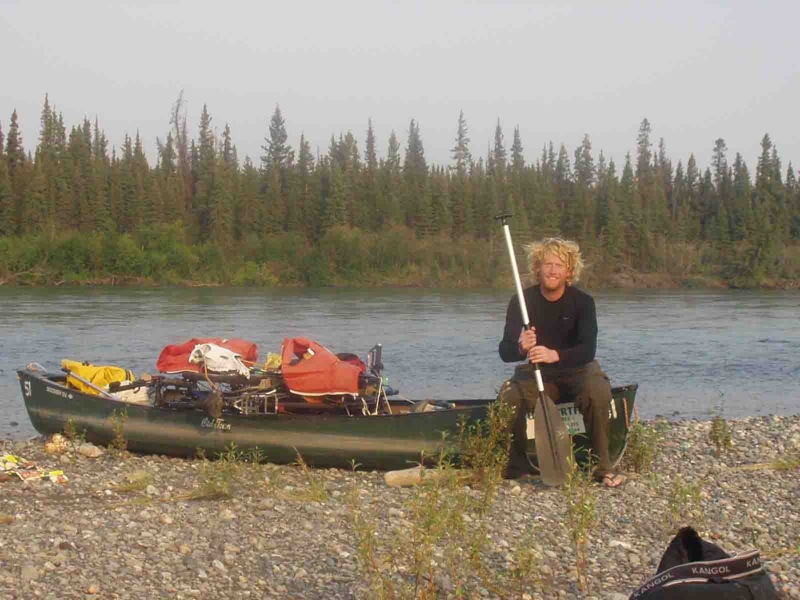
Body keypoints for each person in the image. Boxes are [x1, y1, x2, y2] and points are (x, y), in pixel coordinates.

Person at [497, 237, 625, 487]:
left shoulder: (583, 303)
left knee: (597, 393)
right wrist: (521, 347)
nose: (552, 270)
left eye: (559, 265)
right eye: (547, 264)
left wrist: (555, 355)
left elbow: (588, 349)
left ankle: (602, 467)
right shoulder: (521, 302)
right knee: (509, 398)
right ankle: (518, 466)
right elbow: (505, 352)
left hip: (578, 369)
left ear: (569, 271)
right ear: (537, 268)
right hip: (537, 373)